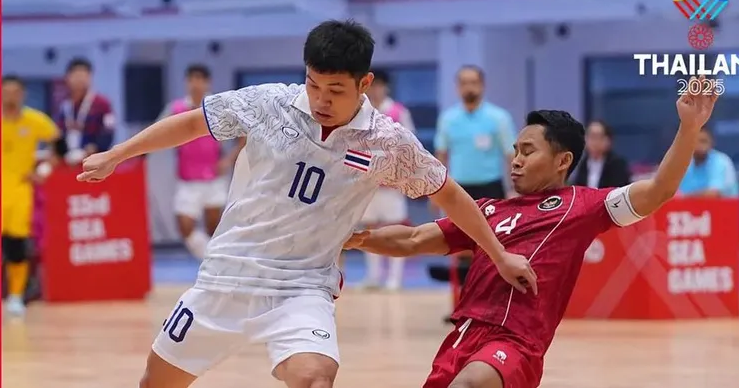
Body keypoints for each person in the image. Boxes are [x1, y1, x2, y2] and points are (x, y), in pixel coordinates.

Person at [76, 19, 536, 388]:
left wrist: (497, 254)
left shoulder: (388, 141)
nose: (321, 99)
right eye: (314, 84)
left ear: (365, 83)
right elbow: (192, 124)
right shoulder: (268, 103)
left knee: (316, 377)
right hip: (227, 276)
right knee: (155, 383)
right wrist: (117, 154)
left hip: (302, 287)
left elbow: (449, 193)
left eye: (335, 90)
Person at [346, 81, 718, 388]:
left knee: (469, 385)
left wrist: (688, 129)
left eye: (528, 151)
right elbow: (412, 240)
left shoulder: (583, 206)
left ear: (562, 161)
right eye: (515, 151)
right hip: (461, 338)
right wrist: (350, 236)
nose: (516, 160)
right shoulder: (488, 211)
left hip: (515, 343)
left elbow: (658, 192)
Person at [162, 64, 245, 260]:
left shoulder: (219, 107)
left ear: (207, 82)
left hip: (213, 178)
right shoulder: (176, 109)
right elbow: (159, 130)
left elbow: (243, 136)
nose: (195, 84)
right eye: (191, 79)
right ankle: (214, 261)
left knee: (214, 229)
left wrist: (228, 160)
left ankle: (216, 269)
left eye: (200, 79)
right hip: (187, 180)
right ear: (186, 82)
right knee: (184, 226)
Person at [1, 75, 60, 316]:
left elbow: (59, 144)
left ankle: (15, 297)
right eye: (6, 92)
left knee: (16, 247)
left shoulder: (35, 121)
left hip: (19, 192)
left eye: (15, 92)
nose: (10, 96)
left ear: (23, 94)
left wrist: (45, 169)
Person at [359, 70, 416, 290]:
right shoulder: (360, 111)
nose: (375, 90)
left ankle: (395, 278)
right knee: (369, 230)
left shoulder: (398, 112)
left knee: (395, 228)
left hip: (392, 182)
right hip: (367, 182)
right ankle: (373, 276)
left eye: (379, 85)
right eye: (372, 86)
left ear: (386, 87)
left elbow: (409, 144)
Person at [434, 65, 517, 202]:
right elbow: (441, 156)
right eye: (464, 83)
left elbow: (511, 155)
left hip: (491, 187)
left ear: (482, 85)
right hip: (458, 188)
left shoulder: (499, 117)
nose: (469, 88)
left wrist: (514, 188)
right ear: (457, 87)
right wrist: (436, 192)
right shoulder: (447, 119)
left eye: (473, 82)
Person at [56, 58, 115, 165]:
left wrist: (96, 148)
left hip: (95, 160)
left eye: (84, 76)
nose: (80, 80)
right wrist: (61, 152)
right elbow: (58, 133)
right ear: (68, 78)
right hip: (68, 161)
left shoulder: (102, 104)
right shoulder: (64, 105)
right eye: (77, 76)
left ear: (90, 77)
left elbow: (108, 131)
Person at [678, 126, 739, 198]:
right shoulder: (683, 163)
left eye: (703, 141)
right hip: (688, 207)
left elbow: (714, 194)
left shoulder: (721, 161)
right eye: (695, 141)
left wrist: (685, 198)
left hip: (721, 207)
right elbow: (676, 193)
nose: (700, 146)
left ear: (711, 143)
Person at [572, 120, 632, 189]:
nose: (593, 142)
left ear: (608, 140)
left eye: (597, 136)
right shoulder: (583, 163)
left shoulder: (617, 164)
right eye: (590, 136)